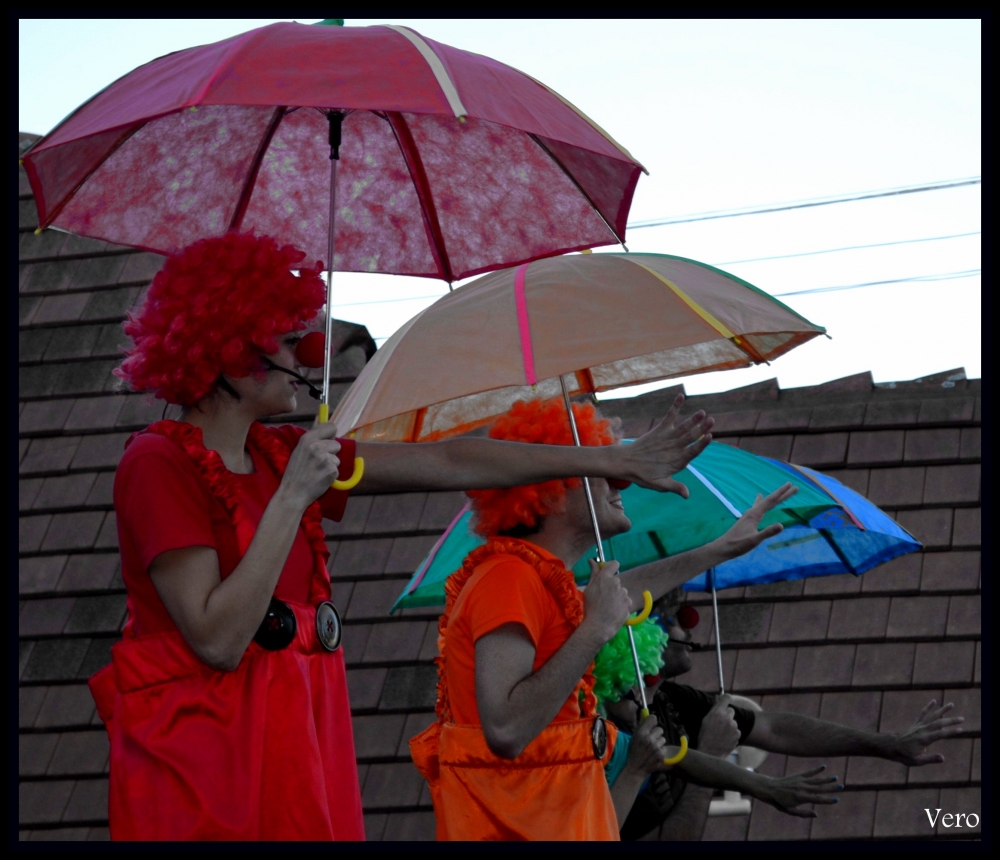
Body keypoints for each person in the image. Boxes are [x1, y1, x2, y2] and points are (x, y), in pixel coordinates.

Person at [90, 233, 725, 841]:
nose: (303, 358)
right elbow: (218, 639)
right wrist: (293, 496)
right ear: (230, 350)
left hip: (299, 723)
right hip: (208, 746)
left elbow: (455, 462)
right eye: (286, 342)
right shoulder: (158, 463)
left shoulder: (286, 453)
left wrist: (608, 461)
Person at [410, 397, 840, 840]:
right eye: (603, 472)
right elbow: (506, 728)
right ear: (553, 491)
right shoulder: (507, 578)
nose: (623, 484)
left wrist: (721, 549)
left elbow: (624, 592)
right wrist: (596, 628)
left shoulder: (537, 582)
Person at [615, 589, 967, 840]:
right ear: (647, 632)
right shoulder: (614, 726)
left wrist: (887, 745)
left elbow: (776, 728)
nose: (690, 628)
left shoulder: (675, 699)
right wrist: (714, 755)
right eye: (676, 619)